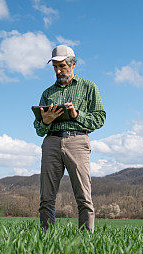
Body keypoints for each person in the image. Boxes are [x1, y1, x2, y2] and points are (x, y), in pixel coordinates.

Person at [34, 44, 106, 233]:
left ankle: (86, 240)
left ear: (73, 64)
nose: (58, 71)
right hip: (51, 142)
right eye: (55, 67)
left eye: (62, 66)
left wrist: (76, 115)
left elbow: (99, 118)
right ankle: (46, 239)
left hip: (77, 141)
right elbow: (38, 129)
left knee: (83, 195)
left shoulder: (89, 87)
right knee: (46, 197)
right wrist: (46, 121)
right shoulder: (47, 93)